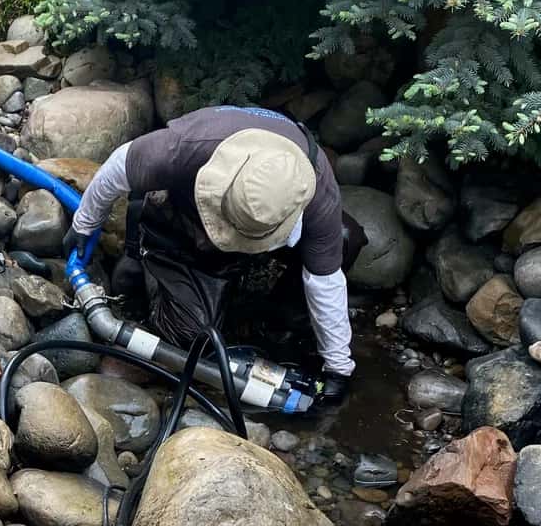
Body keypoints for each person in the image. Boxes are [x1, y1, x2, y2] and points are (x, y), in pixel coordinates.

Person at [65, 105, 363, 404]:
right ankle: (155, 274)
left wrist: (338, 367)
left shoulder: (315, 187)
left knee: (345, 239)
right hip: (183, 231)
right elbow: (119, 166)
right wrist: (85, 222)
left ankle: (276, 318)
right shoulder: (185, 147)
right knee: (191, 339)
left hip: (255, 232)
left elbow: (325, 279)